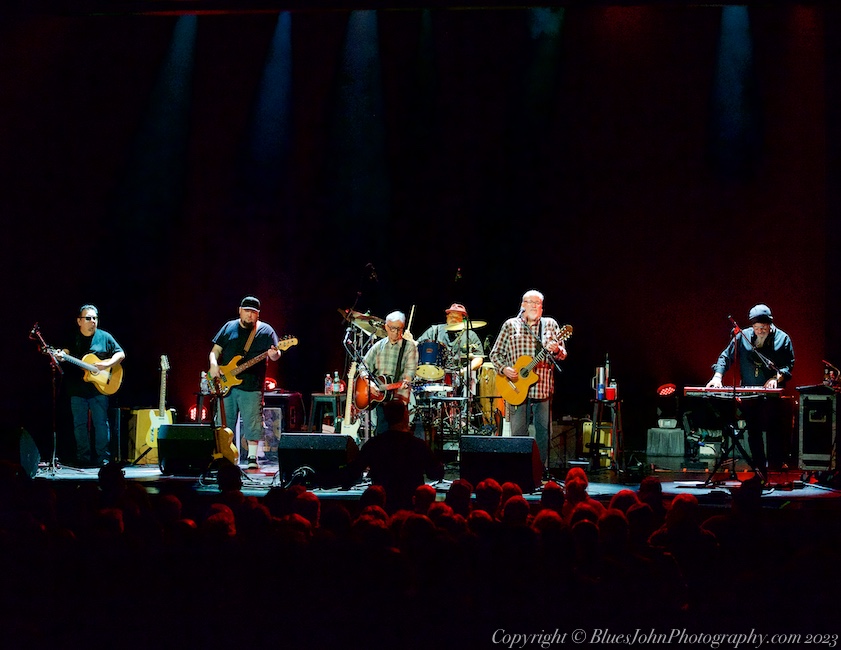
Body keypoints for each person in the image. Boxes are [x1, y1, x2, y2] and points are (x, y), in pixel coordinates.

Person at [705, 303, 795, 476]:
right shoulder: (743, 336)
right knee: (753, 432)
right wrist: (717, 376)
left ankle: (775, 468)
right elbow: (726, 356)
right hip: (750, 396)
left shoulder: (783, 339)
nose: (759, 331)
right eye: (756, 328)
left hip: (772, 400)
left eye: (763, 327)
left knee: (774, 431)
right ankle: (759, 472)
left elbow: (788, 365)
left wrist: (777, 378)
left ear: (770, 325)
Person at [490, 289, 567, 469]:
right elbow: (495, 354)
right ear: (522, 305)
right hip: (516, 387)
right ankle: (519, 470)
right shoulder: (511, 325)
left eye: (538, 303)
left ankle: (540, 470)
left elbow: (562, 354)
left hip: (542, 386)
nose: (534, 306)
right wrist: (504, 369)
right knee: (518, 432)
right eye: (530, 302)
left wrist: (556, 350)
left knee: (543, 432)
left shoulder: (550, 325)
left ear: (542, 308)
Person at [209, 296, 282, 469]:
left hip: (251, 385)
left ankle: (251, 458)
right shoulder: (228, 327)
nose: (250, 315)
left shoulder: (266, 331)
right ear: (240, 310)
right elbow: (215, 351)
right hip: (226, 385)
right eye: (247, 311)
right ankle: (224, 456)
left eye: (253, 313)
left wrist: (275, 355)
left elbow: (276, 353)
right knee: (224, 424)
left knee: (253, 422)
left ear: (258, 315)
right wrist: (213, 365)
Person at [345, 400, 444, 513]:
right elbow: (436, 474)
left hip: (383, 506)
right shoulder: (419, 445)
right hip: (410, 507)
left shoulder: (374, 444)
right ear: (405, 417)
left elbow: (353, 472)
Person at [58, 304, 125, 467]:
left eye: (95, 318)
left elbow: (120, 353)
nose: (92, 321)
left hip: (99, 389)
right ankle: (83, 458)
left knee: (101, 423)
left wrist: (107, 363)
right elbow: (65, 352)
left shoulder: (104, 337)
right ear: (79, 321)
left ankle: (103, 457)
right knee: (79, 424)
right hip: (77, 389)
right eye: (88, 318)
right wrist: (61, 355)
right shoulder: (72, 338)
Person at [359, 310, 419, 435]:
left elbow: (410, 370)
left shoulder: (409, 347)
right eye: (393, 329)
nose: (396, 333)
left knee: (399, 435)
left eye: (400, 329)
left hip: (399, 400)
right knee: (381, 434)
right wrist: (370, 384)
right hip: (381, 399)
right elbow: (363, 366)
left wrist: (406, 381)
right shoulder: (378, 346)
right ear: (386, 327)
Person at [415, 302, 484, 382]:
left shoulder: (470, 335)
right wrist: (410, 341)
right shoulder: (435, 330)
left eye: (456, 317)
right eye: (451, 316)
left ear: (463, 319)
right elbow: (418, 345)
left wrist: (464, 371)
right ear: (447, 316)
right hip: (434, 373)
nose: (453, 319)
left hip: (460, 376)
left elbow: (479, 358)